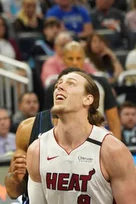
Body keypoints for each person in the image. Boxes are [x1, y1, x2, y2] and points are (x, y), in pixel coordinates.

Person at [26, 69, 136, 203]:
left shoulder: (112, 150)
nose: (59, 86)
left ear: (88, 99)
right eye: (58, 84)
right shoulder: (37, 150)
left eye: (71, 84)